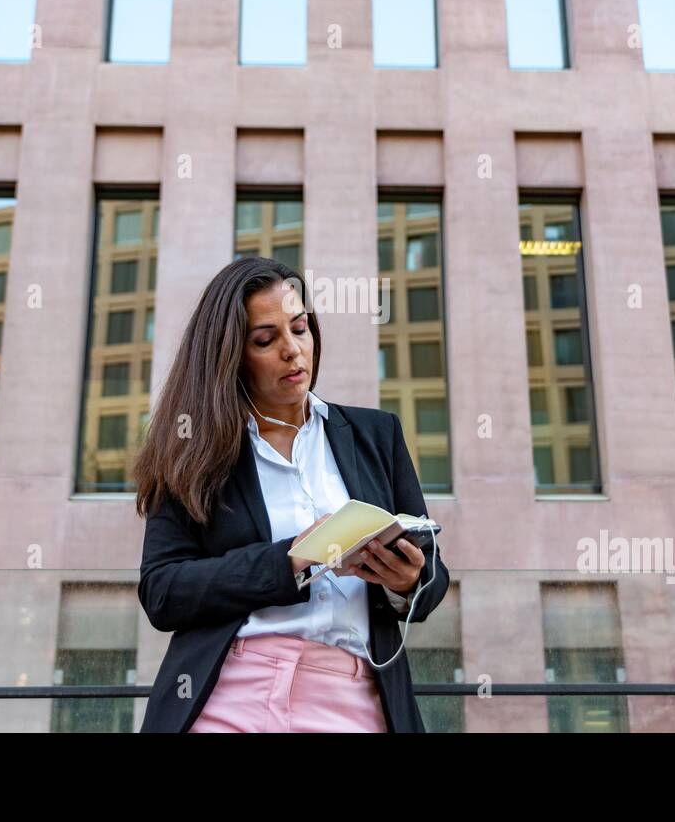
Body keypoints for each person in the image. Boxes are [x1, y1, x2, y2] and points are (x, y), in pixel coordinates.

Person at [135, 257, 450, 732]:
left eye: (300, 329)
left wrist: (406, 581)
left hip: (353, 694)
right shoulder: (191, 448)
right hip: (232, 691)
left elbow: (433, 580)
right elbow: (163, 592)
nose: (292, 350)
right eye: (266, 339)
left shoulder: (376, 434)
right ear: (231, 355)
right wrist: (291, 560)